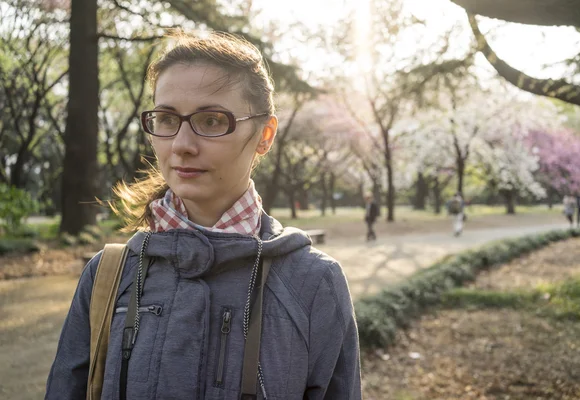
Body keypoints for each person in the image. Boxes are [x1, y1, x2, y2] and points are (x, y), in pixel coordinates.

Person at [45, 32, 361, 400]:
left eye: (211, 121)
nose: (181, 145)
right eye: (165, 119)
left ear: (265, 135)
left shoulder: (313, 283)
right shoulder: (108, 277)